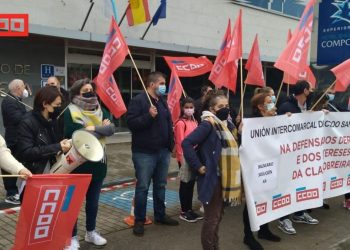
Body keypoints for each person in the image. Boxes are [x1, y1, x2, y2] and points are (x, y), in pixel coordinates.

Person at [182, 90, 241, 250]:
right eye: (221, 106)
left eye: (227, 105)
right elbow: (186, 143)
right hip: (212, 178)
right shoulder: (208, 123)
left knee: (218, 216)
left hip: (224, 177)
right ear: (212, 109)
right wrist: (199, 166)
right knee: (212, 218)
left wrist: (239, 131)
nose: (225, 108)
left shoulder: (227, 125)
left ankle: (215, 246)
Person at [64, 78, 114, 249]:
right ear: (77, 92)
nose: (89, 92)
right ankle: (71, 237)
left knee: (93, 203)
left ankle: (91, 232)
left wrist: (91, 129)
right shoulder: (70, 111)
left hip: (99, 164)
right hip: (78, 165)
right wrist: (99, 128)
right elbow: (74, 135)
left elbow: (111, 129)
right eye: (85, 90)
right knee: (73, 204)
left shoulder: (100, 109)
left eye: (91, 89)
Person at [126, 71, 178, 237]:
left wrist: (172, 145)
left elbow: (168, 124)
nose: (164, 86)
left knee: (161, 185)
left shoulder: (161, 101)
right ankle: (139, 220)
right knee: (142, 187)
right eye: (162, 83)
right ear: (152, 84)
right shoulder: (138, 101)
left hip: (163, 151)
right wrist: (148, 116)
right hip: (145, 153)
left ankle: (160, 215)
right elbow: (132, 124)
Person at [277, 80, 318, 235]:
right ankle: (283, 218)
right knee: (286, 185)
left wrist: (321, 115)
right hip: (288, 154)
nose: (312, 90)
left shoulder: (308, 105)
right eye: (310, 88)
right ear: (305, 90)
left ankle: (300, 213)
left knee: (301, 183)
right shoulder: (286, 107)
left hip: (303, 154)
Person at [243, 93, 280, 250]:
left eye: (272, 102)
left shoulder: (275, 119)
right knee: (252, 202)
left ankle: (264, 230)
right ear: (260, 106)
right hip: (254, 168)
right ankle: (248, 236)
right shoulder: (250, 122)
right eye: (269, 102)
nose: (272, 104)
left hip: (271, 165)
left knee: (268, 198)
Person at [17, 86, 71, 193]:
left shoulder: (54, 120)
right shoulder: (27, 122)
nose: (59, 108)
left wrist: (64, 145)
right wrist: (57, 147)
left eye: (60, 104)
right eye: (57, 105)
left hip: (54, 174)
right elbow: (26, 152)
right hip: (34, 177)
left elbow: (57, 142)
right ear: (45, 104)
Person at [173, 97, 202, 222]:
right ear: (182, 108)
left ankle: (189, 209)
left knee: (191, 184)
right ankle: (184, 211)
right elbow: (180, 143)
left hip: (194, 156)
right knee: (185, 184)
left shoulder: (195, 122)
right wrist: (181, 159)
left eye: (191, 107)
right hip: (185, 157)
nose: (189, 109)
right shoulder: (181, 123)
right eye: (187, 107)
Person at [1, 79, 29, 204]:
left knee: (17, 163)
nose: (25, 89)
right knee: (8, 165)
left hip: (20, 138)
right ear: (18, 88)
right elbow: (17, 117)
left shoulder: (17, 100)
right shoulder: (8, 101)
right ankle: (11, 193)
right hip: (13, 138)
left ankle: (18, 190)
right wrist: (32, 115)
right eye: (24, 86)